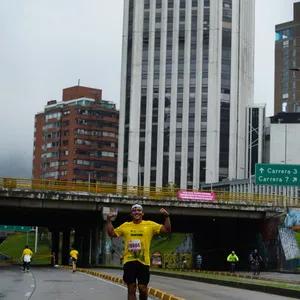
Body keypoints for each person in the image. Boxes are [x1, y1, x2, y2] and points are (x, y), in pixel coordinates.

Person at [106, 204, 171, 300]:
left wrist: (167, 216)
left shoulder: (150, 225)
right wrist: (108, 220)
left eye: (139, 210)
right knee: (131, 288)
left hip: (143, 262)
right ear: (131, 214)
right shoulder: (125, 226)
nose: (137, 212)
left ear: (142, 213)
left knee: (142, 288)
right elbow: (111, 233)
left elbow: (166, 229)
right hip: (129, 261)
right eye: (134, 210)